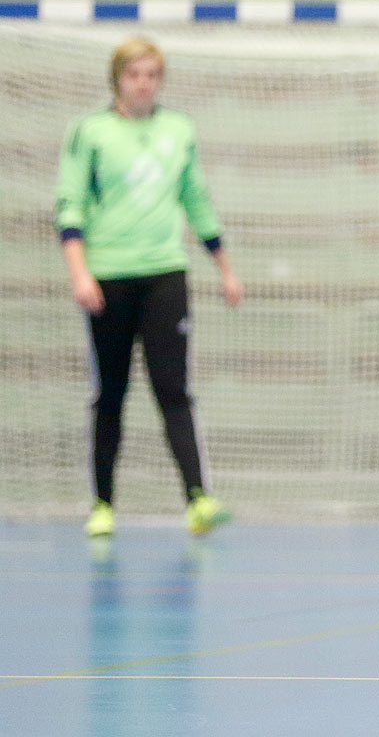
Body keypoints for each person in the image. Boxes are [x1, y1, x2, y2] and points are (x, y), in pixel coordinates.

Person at [55, 36, 242, 538]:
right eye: (135, 74)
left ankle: (198, 498)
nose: (144, 83)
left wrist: (225, 267)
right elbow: (69, 204)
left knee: (173, 389)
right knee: (110, 393)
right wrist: (80, 272)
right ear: (117, 78)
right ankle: (101, 504)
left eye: (152, 75)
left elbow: (196, 200)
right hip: (108, 278)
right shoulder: (90, 132)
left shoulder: (178, 130)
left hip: (165, 274)